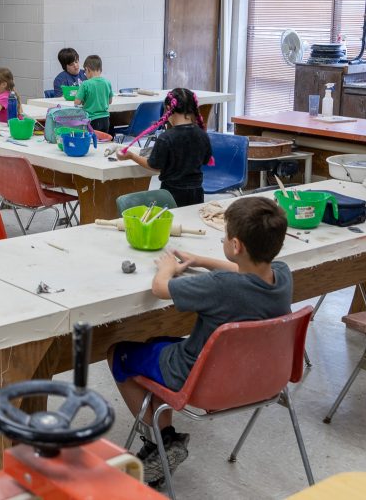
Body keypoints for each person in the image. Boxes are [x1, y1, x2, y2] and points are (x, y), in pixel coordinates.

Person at [107, 196, 292, 489]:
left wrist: (167, 266)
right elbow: (244, 274)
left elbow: (159, 288)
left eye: (225, 235)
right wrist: (203, 261)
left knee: (118, 353)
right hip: (260, 379)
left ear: (236, 246)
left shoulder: (219, 288)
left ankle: (165, 441)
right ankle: (162, 430)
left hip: (199, 379)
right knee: (156, 341)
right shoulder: (282, 276)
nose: (223, 239)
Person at [117, 88, 212, 207]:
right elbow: (205, 160)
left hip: (171, 194)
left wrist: (131, 156)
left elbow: (154, 166)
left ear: (168, 108)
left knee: (172, 223)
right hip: (197, 193)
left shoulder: (166, 138)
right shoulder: (202, 134)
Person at [73, 55, 113, 133]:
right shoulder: (107, 82)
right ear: (100, 69)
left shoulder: (85, 84)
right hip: (105, 119)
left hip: (92, 120)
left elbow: (77, 102)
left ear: (87, 69)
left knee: (92, 143)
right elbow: (110, 101)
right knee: (102, 143)